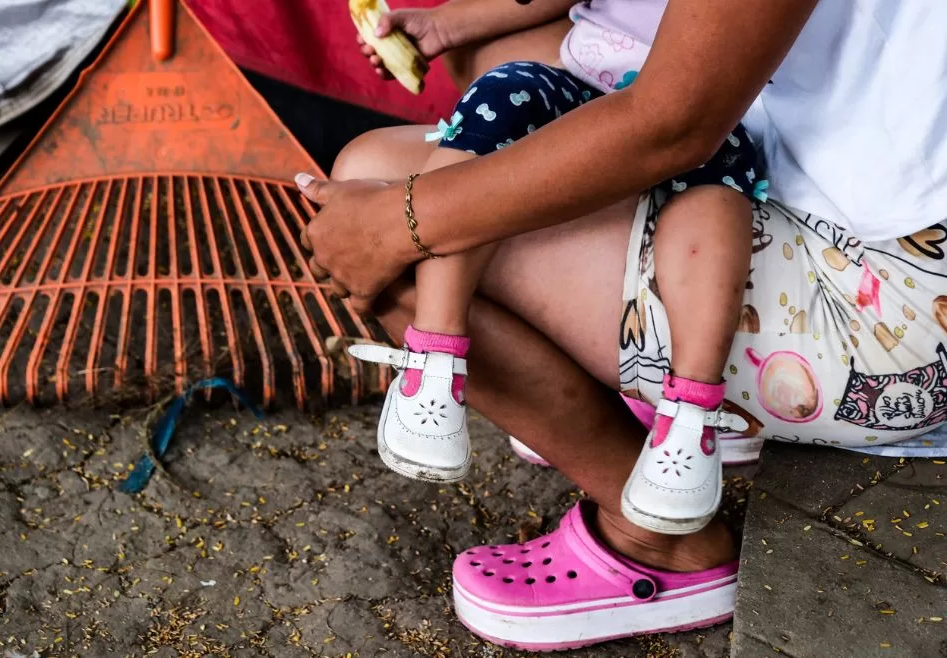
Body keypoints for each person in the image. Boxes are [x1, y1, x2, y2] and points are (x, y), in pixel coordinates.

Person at [296, 0, 947, 650]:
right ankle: (641, 384)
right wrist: (456, 23)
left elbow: (675, 126)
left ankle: (663, 536)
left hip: (894, 307)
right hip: (839, 158)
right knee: (507, 56)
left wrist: (400, 222)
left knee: (381, 194)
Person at [345, 0, 765, 539]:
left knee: (715, 187)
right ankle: (436, 356)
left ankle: (690, 418)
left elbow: (679, 117)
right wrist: (444, 25)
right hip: (593, 81)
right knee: (500, 93)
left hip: (705, 108)